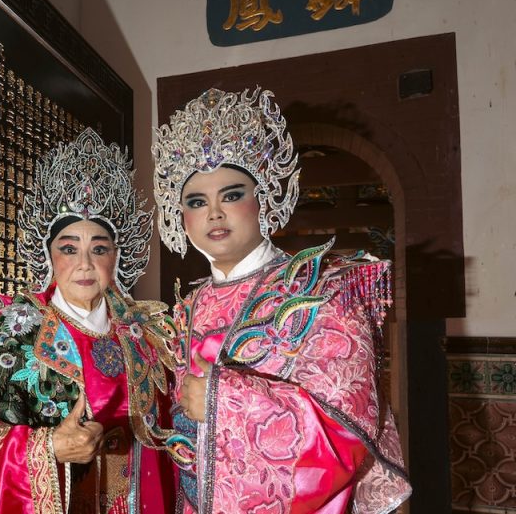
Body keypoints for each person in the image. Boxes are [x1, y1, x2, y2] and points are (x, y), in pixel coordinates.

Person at [151, 87, 412, 514]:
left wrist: (222, 400)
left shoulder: (322, 290)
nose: (214, 213)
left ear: (264, 199)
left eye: (232, 194)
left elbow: (346, 430)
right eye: (197, 201)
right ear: (180, 216)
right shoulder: (184, 308)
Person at [0, 128, 178, 514]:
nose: (85, 264)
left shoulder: (146, 332)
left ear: (117, 258)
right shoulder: (17, 328)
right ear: (48, 255)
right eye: (69, 248)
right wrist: (50, 448)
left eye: (100, 249)